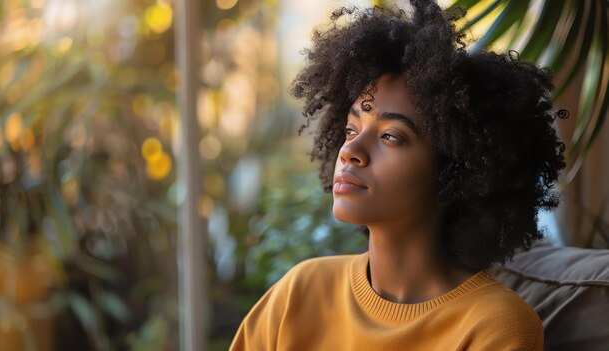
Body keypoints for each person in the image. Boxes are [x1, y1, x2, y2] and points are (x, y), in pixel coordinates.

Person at [230, 0, 566, 349]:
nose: (351, 151)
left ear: (456, 170)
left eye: (391, 136)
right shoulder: (298, 294)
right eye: (350, 130)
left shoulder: (494, 326)